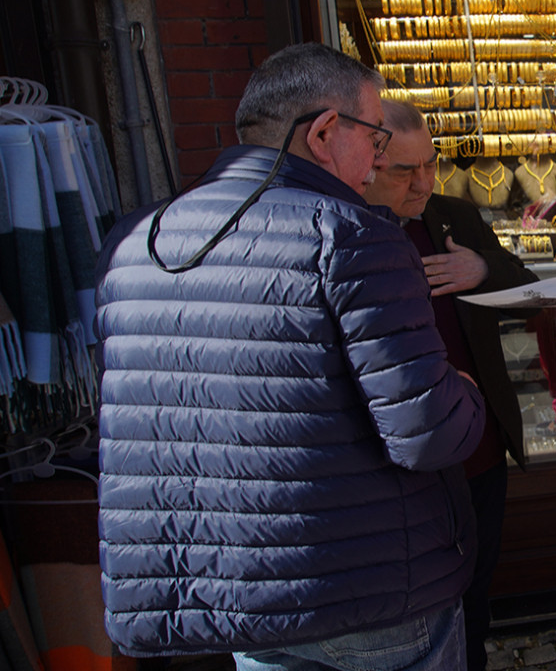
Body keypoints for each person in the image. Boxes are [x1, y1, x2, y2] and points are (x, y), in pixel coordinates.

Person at [94, 42, 486, 670]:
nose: (379, 162)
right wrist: (464, 389)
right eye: (377, 139)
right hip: (366, 590)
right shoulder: (356, 236)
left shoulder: (139, 237)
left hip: (230, 589)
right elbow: (429, 434)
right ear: (327, 132)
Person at [365, 98, 539, 671]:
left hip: (479, 448)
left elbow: (527, 283)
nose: (423, 183)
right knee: (415, 605)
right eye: (404, 171)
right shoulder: (348, 229)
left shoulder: (452, 217)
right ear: (368, 162)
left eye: (431, 165)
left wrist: (484, 270)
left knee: (475, 591)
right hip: (400, 462)